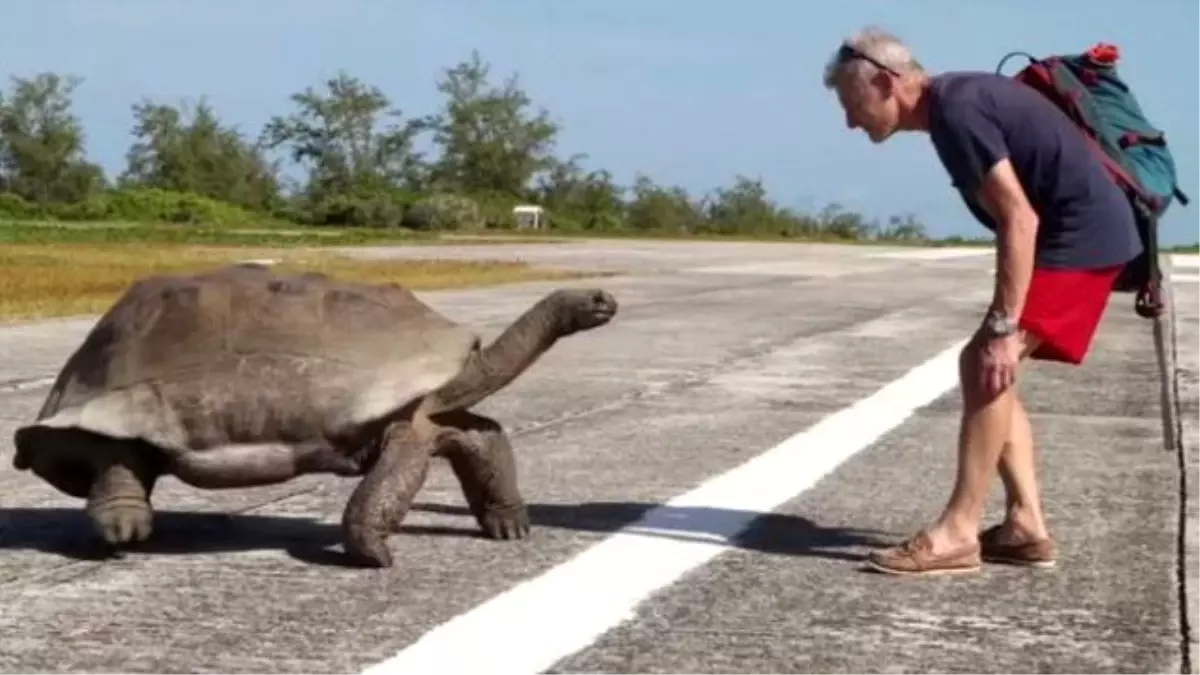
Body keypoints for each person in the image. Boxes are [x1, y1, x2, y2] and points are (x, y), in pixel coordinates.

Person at [821, 26, 1144, 576]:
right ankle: (1025, 525)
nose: (851, 122)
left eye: (853, 105)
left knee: (986, 361)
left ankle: (958, 531)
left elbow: (1019, 217)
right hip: (1081, 234)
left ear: (884, 81)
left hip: (1082, 237)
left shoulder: (957, 112)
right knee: (990, 368)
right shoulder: (957, 103)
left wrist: (1003, 326)